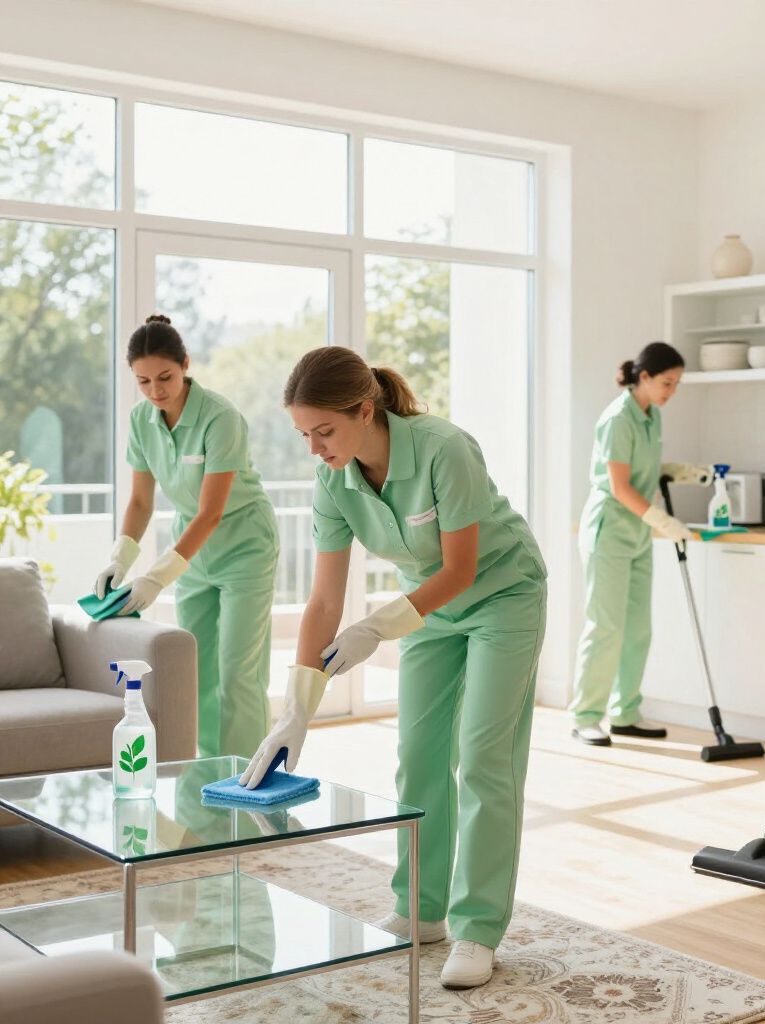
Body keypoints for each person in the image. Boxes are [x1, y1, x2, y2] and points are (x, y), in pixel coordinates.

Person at [239, 347, 547, 990]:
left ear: (365, 409)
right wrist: (296, 709)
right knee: (419, 754)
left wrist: (376, 627)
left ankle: (477, 928)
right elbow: (324, 600)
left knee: (484, 753)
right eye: (304, 434)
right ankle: (419, 908)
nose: (315, 449)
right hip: (429, 612)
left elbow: (461, 570)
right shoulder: (335, 481)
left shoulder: (444, 449)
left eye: (325, 431)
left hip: (501, 596)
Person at [94, 314, 279, 759]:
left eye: (165, 377)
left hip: (244, 547)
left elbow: (211, 511)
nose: (156, 391)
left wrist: (156, 578)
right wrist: (120, 560)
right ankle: (207, 776)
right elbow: (141, 501)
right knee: (195, 671)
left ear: (185, 365)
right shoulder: (142, 420)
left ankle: (249, 779)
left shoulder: (220, 418)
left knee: (239, 671)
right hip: (192, 553)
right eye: (143, 381)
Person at [569, 341, 711, 747]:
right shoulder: (618, 418)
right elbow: (619, 485)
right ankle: (585, 716)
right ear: (644, 377)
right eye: (667, 382)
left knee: (638, 630)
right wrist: (664, 521)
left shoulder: (651, 417)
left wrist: (682, 472)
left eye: (677, 384)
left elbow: (640, 468)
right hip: (609, 531)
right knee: (605, 626)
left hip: (637, 534)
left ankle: (626, 712)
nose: (672, 391)